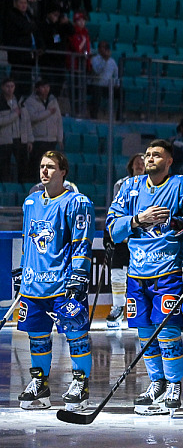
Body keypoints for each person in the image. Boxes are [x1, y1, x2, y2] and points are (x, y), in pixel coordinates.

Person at [106, 139, 183, 415]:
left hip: (169, 273)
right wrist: (138, 219)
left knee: (167, 332)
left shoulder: (181, 185)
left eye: (156, 154)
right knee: (144, 333)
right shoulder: (129, 187)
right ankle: (157, 383)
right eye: (147, 154)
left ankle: (174, 384)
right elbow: (112, 229)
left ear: (169, 161)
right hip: (136, 274)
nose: (150, 158)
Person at [11, 151, 94, 411]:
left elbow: (82, 241)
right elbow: (27, 241)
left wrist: (79, 274)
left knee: (76, 334)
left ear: (63, 171)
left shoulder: (77, 202)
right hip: (35, 284)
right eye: (42, 166)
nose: (44, 171)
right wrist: (23, 270)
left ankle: (80, 384)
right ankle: (40, 384)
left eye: (50, 167)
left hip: (63, 284)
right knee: (37, 336)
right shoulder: (31, 202)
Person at [104, 151, 143, 328]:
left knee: (141, 274)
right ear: (131, 165)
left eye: (142, 162)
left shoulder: (152, 184)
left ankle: (140, 308)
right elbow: (115, 208)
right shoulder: (121, 184)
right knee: (117, 272)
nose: (140, 165)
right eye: (137, 162)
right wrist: (109, 233)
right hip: (123, 234)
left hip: (142, 237)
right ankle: (118, 307)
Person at [23, 79, 62, 171]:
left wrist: (60, 138)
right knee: (36, 165)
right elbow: (32, 117)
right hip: (38, 139)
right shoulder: (30, 101)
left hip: (52, 139)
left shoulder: (53, 101)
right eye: (43, 87)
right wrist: (48, 112)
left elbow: (59, 120)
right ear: (37, 88)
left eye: (47, 87)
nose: (46, 89)